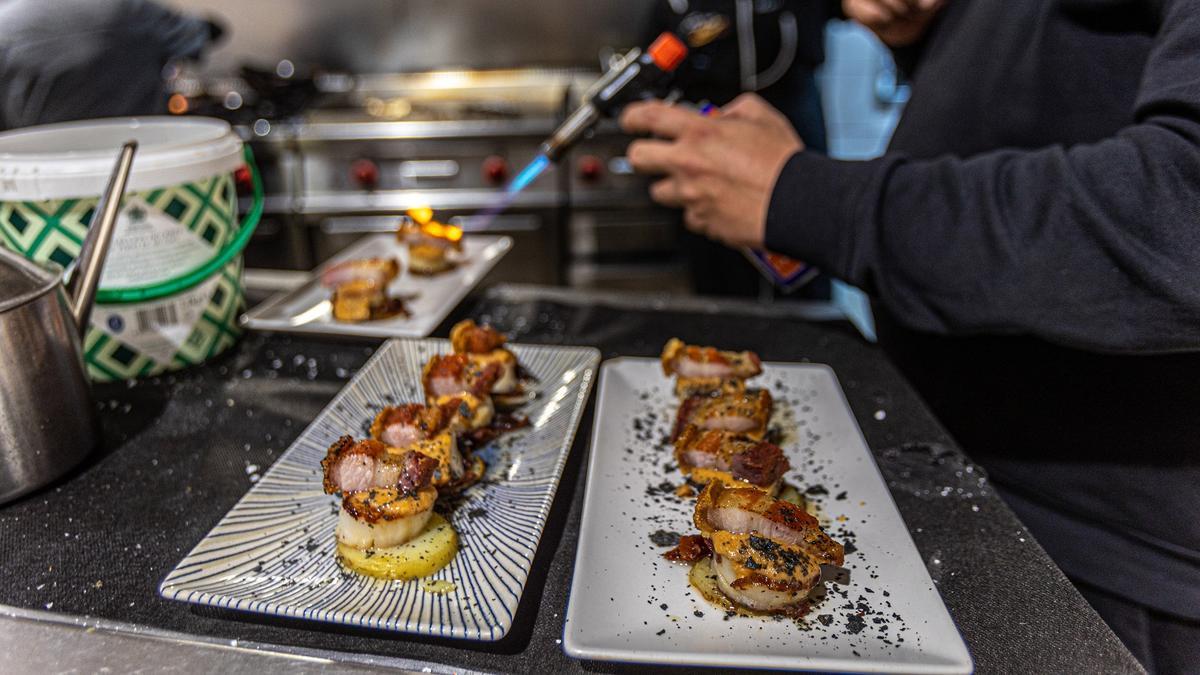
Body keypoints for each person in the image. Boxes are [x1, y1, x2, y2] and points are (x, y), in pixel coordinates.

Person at [619, 0, 1200, 671]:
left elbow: (1180, 223)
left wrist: (812, 198)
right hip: (939, 481)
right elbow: (1068, 97)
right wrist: (932, 35)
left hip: (1103, 561)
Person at [0, 0, 221, 132]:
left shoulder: (7, 19)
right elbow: (202, 34)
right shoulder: (128, 8)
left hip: (33, 177)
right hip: (132, 163)